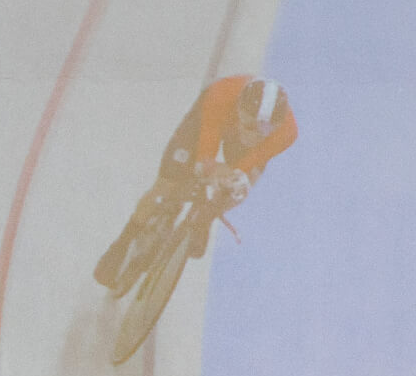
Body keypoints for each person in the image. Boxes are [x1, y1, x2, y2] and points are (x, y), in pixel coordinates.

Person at [94, 74, 298, 288]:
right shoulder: (221, 96)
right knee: (166, 184)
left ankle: (205, 219)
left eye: (264, 129)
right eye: (248, 121)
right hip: (215, 118)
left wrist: (234, 178)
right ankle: (122, 243)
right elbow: (206, 149)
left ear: (276, 127)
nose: (253, 133)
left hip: (239, 133)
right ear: (239, 107)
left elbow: (254, 159)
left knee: (240, 187)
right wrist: (208, 166)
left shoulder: (287, 133)